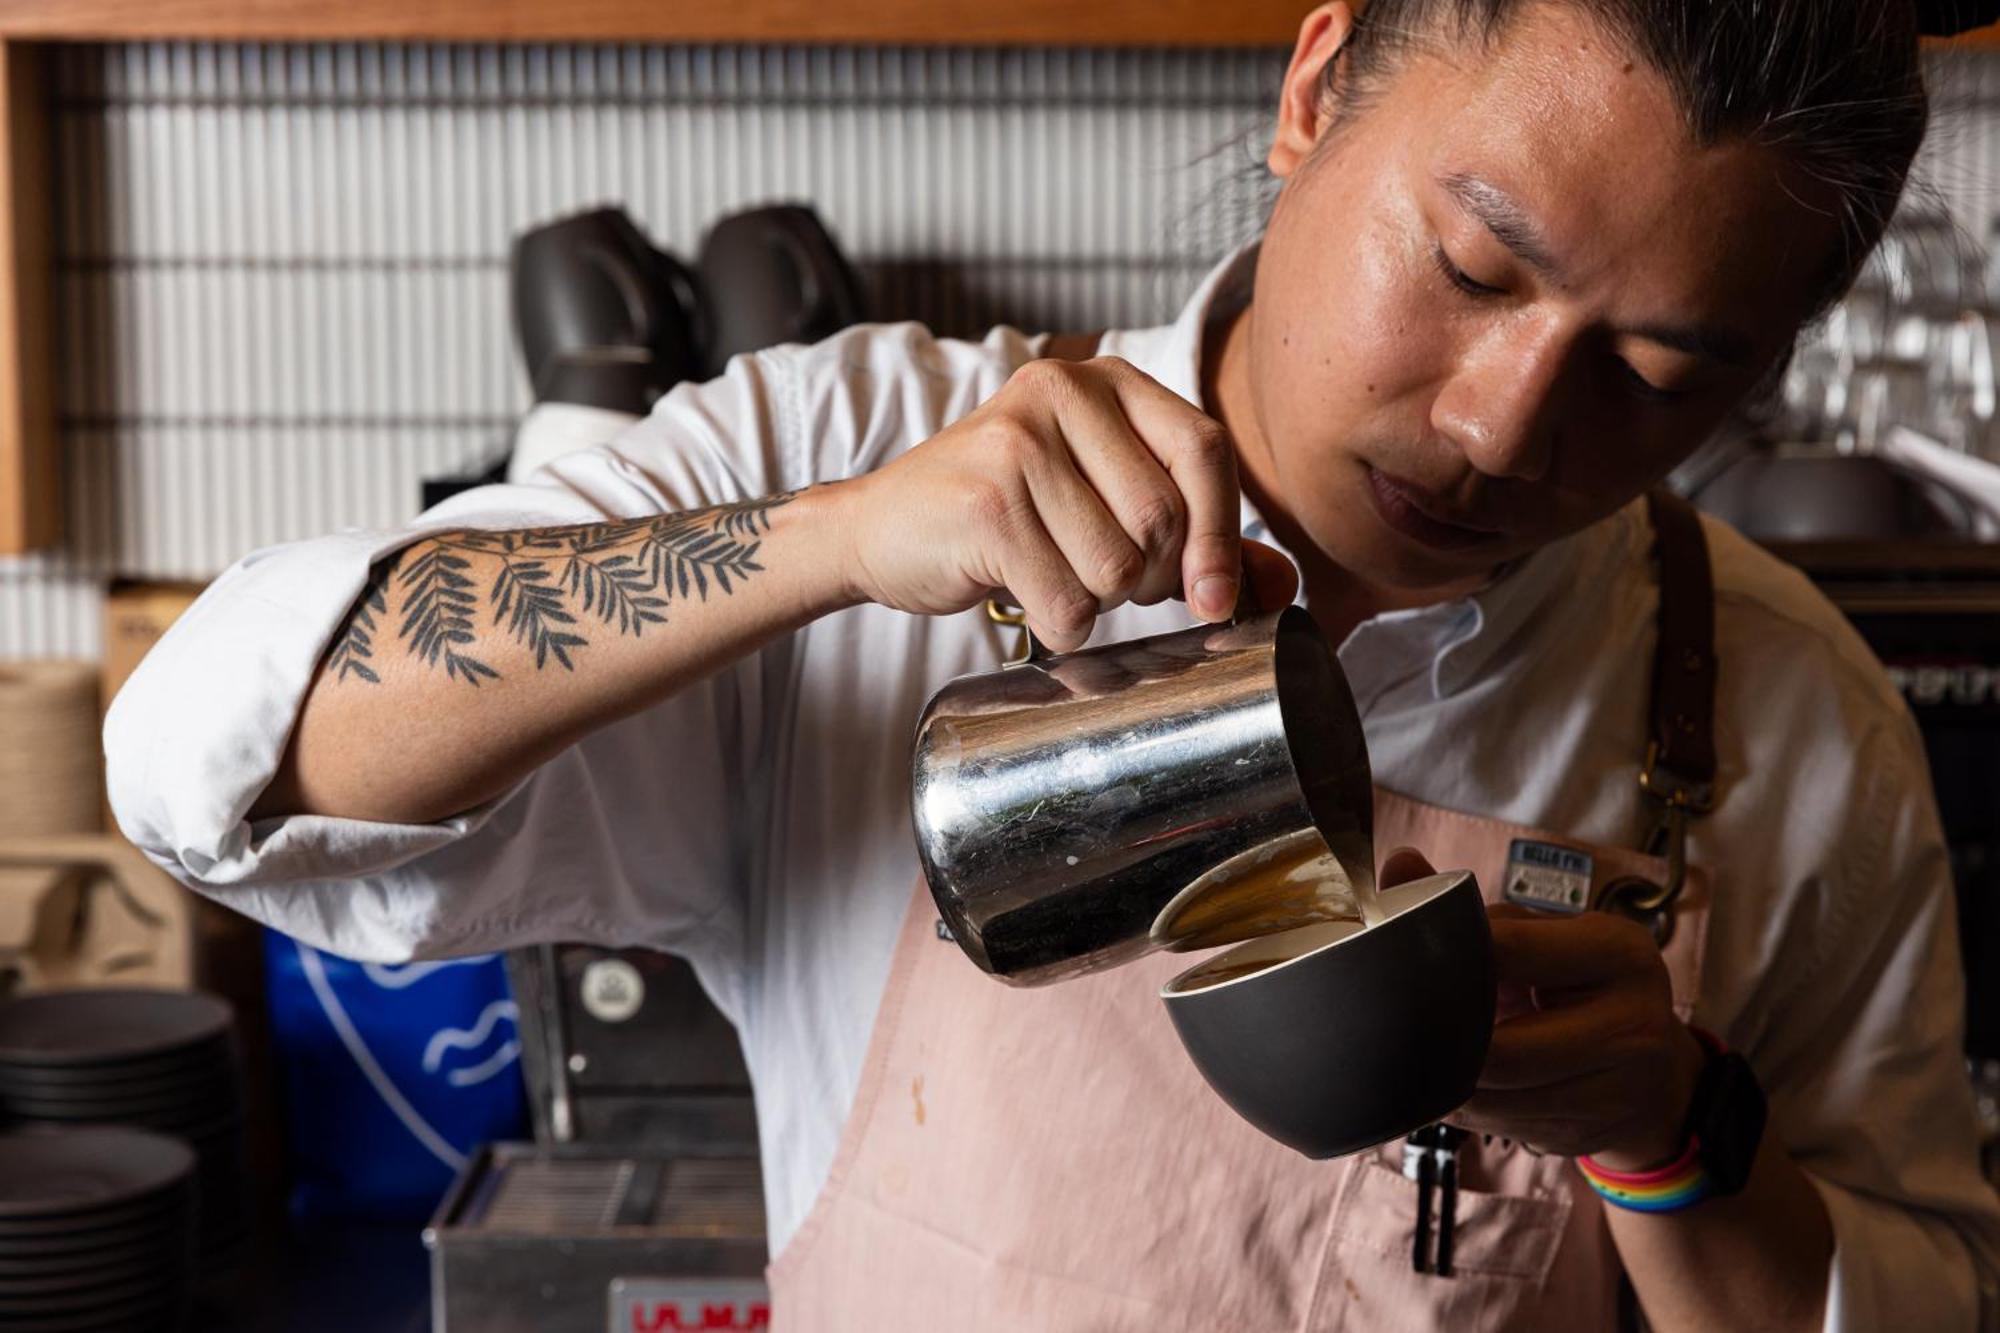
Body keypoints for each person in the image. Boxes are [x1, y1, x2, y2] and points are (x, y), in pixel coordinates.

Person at [107, 1, 2000, 1328]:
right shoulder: (857, 444)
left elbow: (1912, 1295)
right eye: (1476, 270)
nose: (1510, 427)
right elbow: (213, 751)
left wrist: (1671, 1134)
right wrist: (829, 543)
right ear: (1318, 89)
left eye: (1661, 375)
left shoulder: (1779, 706)